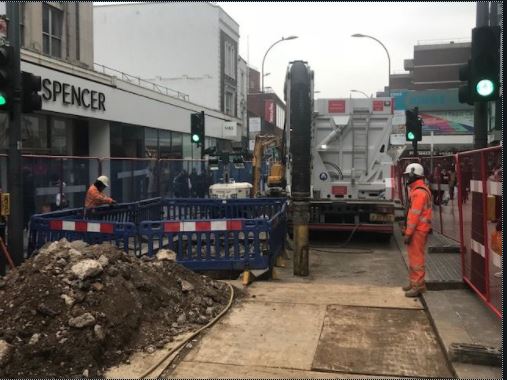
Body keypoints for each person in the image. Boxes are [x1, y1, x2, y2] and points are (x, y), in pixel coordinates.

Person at [402, 163, 433, 298]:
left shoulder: (419, 193)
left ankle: (419, 286)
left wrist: (408, 233)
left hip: (417, 231)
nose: (406, 179)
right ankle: (414, 283)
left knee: (417, 258)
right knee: (413, 257)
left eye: (407, 176)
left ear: (413, 175)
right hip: (419, 230)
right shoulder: (418, 190)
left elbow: (414, 216)